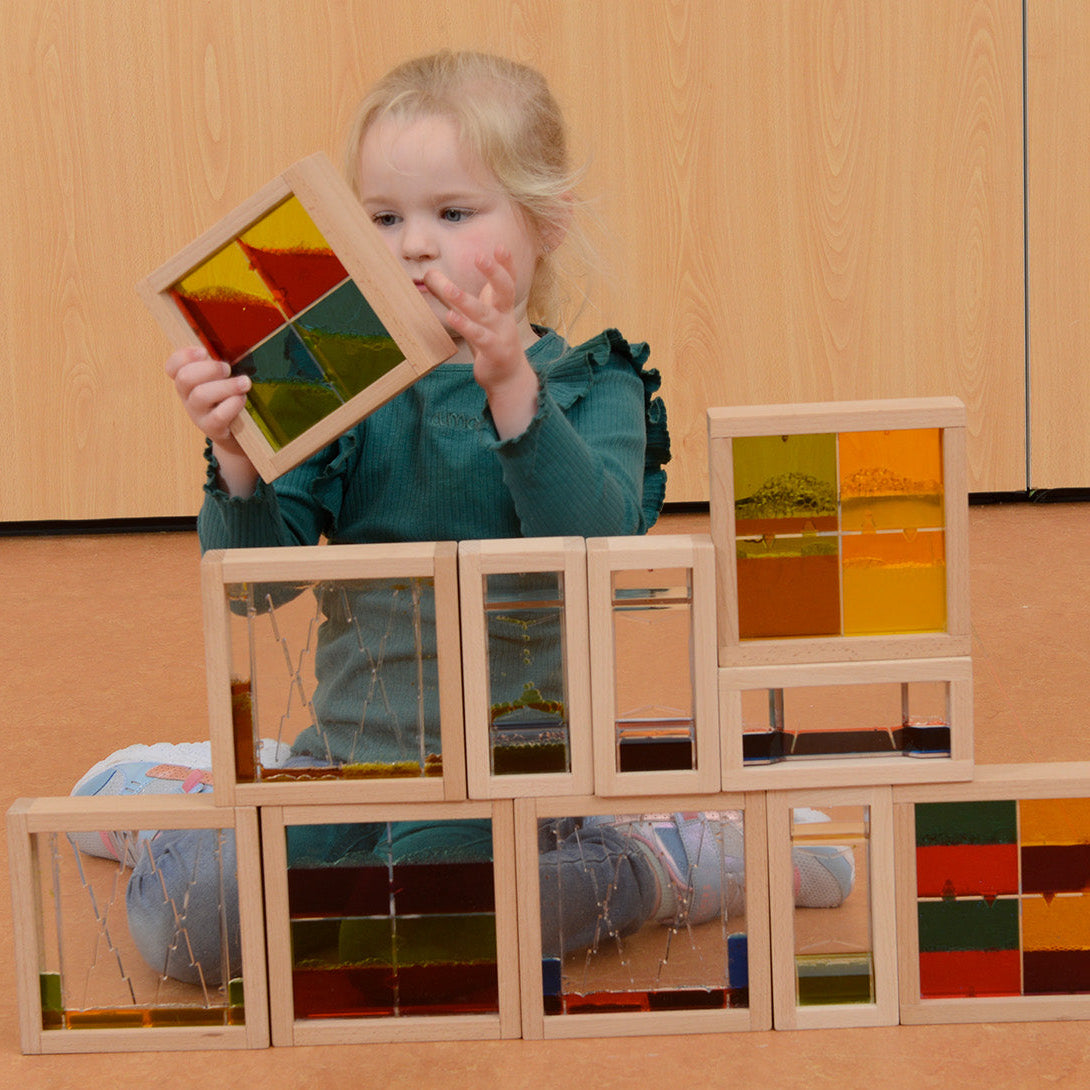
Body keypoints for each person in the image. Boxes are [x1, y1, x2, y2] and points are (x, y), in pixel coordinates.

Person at [73, 50, 848, 987]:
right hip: (343, 768)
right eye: (383, 219)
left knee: (456, 931)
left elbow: (594, 543)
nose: (411, 247)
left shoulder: (590, 382)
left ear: (544, 224)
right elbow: (255, 588)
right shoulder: (344, 388)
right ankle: (184, 803)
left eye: (452, 213)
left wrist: (511, 386)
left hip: (513, 784)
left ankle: (660, 860)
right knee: (185, 926)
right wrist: (237, 454)